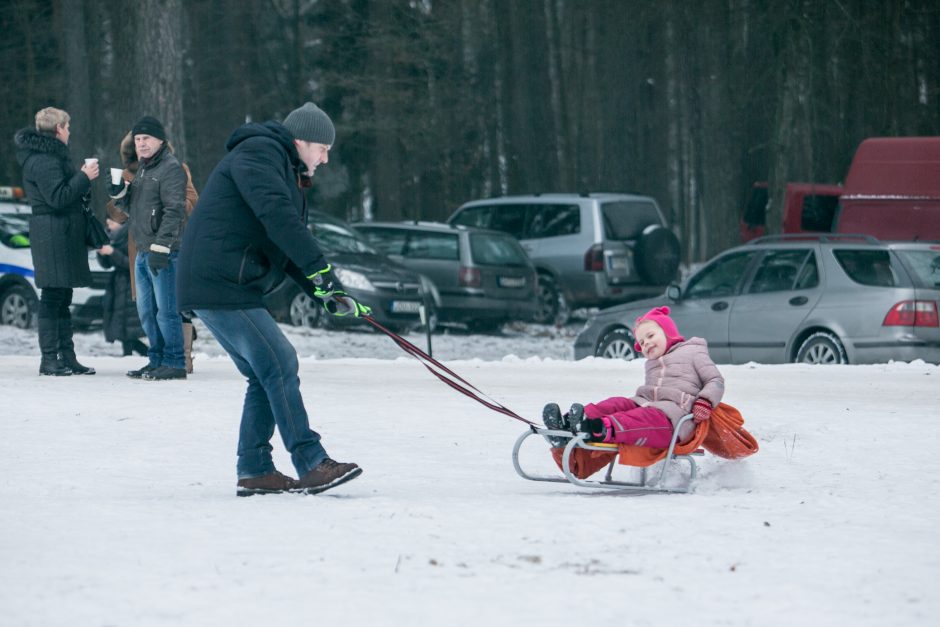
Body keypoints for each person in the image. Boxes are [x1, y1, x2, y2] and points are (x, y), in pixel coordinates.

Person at [177, 102, 369, 496]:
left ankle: (255, 469)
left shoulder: (283, 169)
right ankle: (311, 462)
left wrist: (327, 292)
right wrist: (324, 275)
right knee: (280, 361)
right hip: (219, 281)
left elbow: (283, 242)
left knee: (264, 374)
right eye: (322, 148)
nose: (326, 158)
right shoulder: (258, 154)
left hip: (226, 282)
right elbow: (277, 218)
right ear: (301, 141)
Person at [543, 306, 724, 448]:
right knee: (617, 403)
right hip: (646, 403)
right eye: (642, 343)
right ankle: (567, 424)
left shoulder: (693, 351)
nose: (647, 344)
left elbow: (715, 380)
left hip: (673, 418)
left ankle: (598, 428)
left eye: (651, 336)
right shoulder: (652, 363)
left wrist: (705, 402)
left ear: (669, 332)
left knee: (642, 417)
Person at [13, 107, 98, 376]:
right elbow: (57, 198)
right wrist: (84, 177)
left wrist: (82, 186)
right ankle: (50, 359)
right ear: (59, 128)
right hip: (53, 232)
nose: (69, 132)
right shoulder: (45, 159)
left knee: (62, 294)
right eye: (68, 127)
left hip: (58, 232)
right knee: (52, 295)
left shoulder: (46, 156)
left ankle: (66, 357)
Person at [107, 130, 199, 372]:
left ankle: (176, 360)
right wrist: (118, 194)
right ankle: (157, 359)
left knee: (167, 310)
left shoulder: (172, 168)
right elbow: (125, 212)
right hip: (140, 249)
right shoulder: (141, 171)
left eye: (146, 139)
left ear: (160, 141)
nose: (141, 144)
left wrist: (162, 243)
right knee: (147, 311)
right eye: (137, 141)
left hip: (164, 248)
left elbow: (178, 208)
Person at [97, 218, 148, 357]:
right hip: (118, 286)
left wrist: (112, 252)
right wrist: (101, 252)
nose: (109, 227)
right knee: (122, 328)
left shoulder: (132, 236)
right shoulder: (114, 238)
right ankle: (131, 356)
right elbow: (107, 264)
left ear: (122, 224)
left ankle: (145, 354)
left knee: (127, 329)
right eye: (107, 224)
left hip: (130, 286)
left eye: (112, 224)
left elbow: (132, 264)